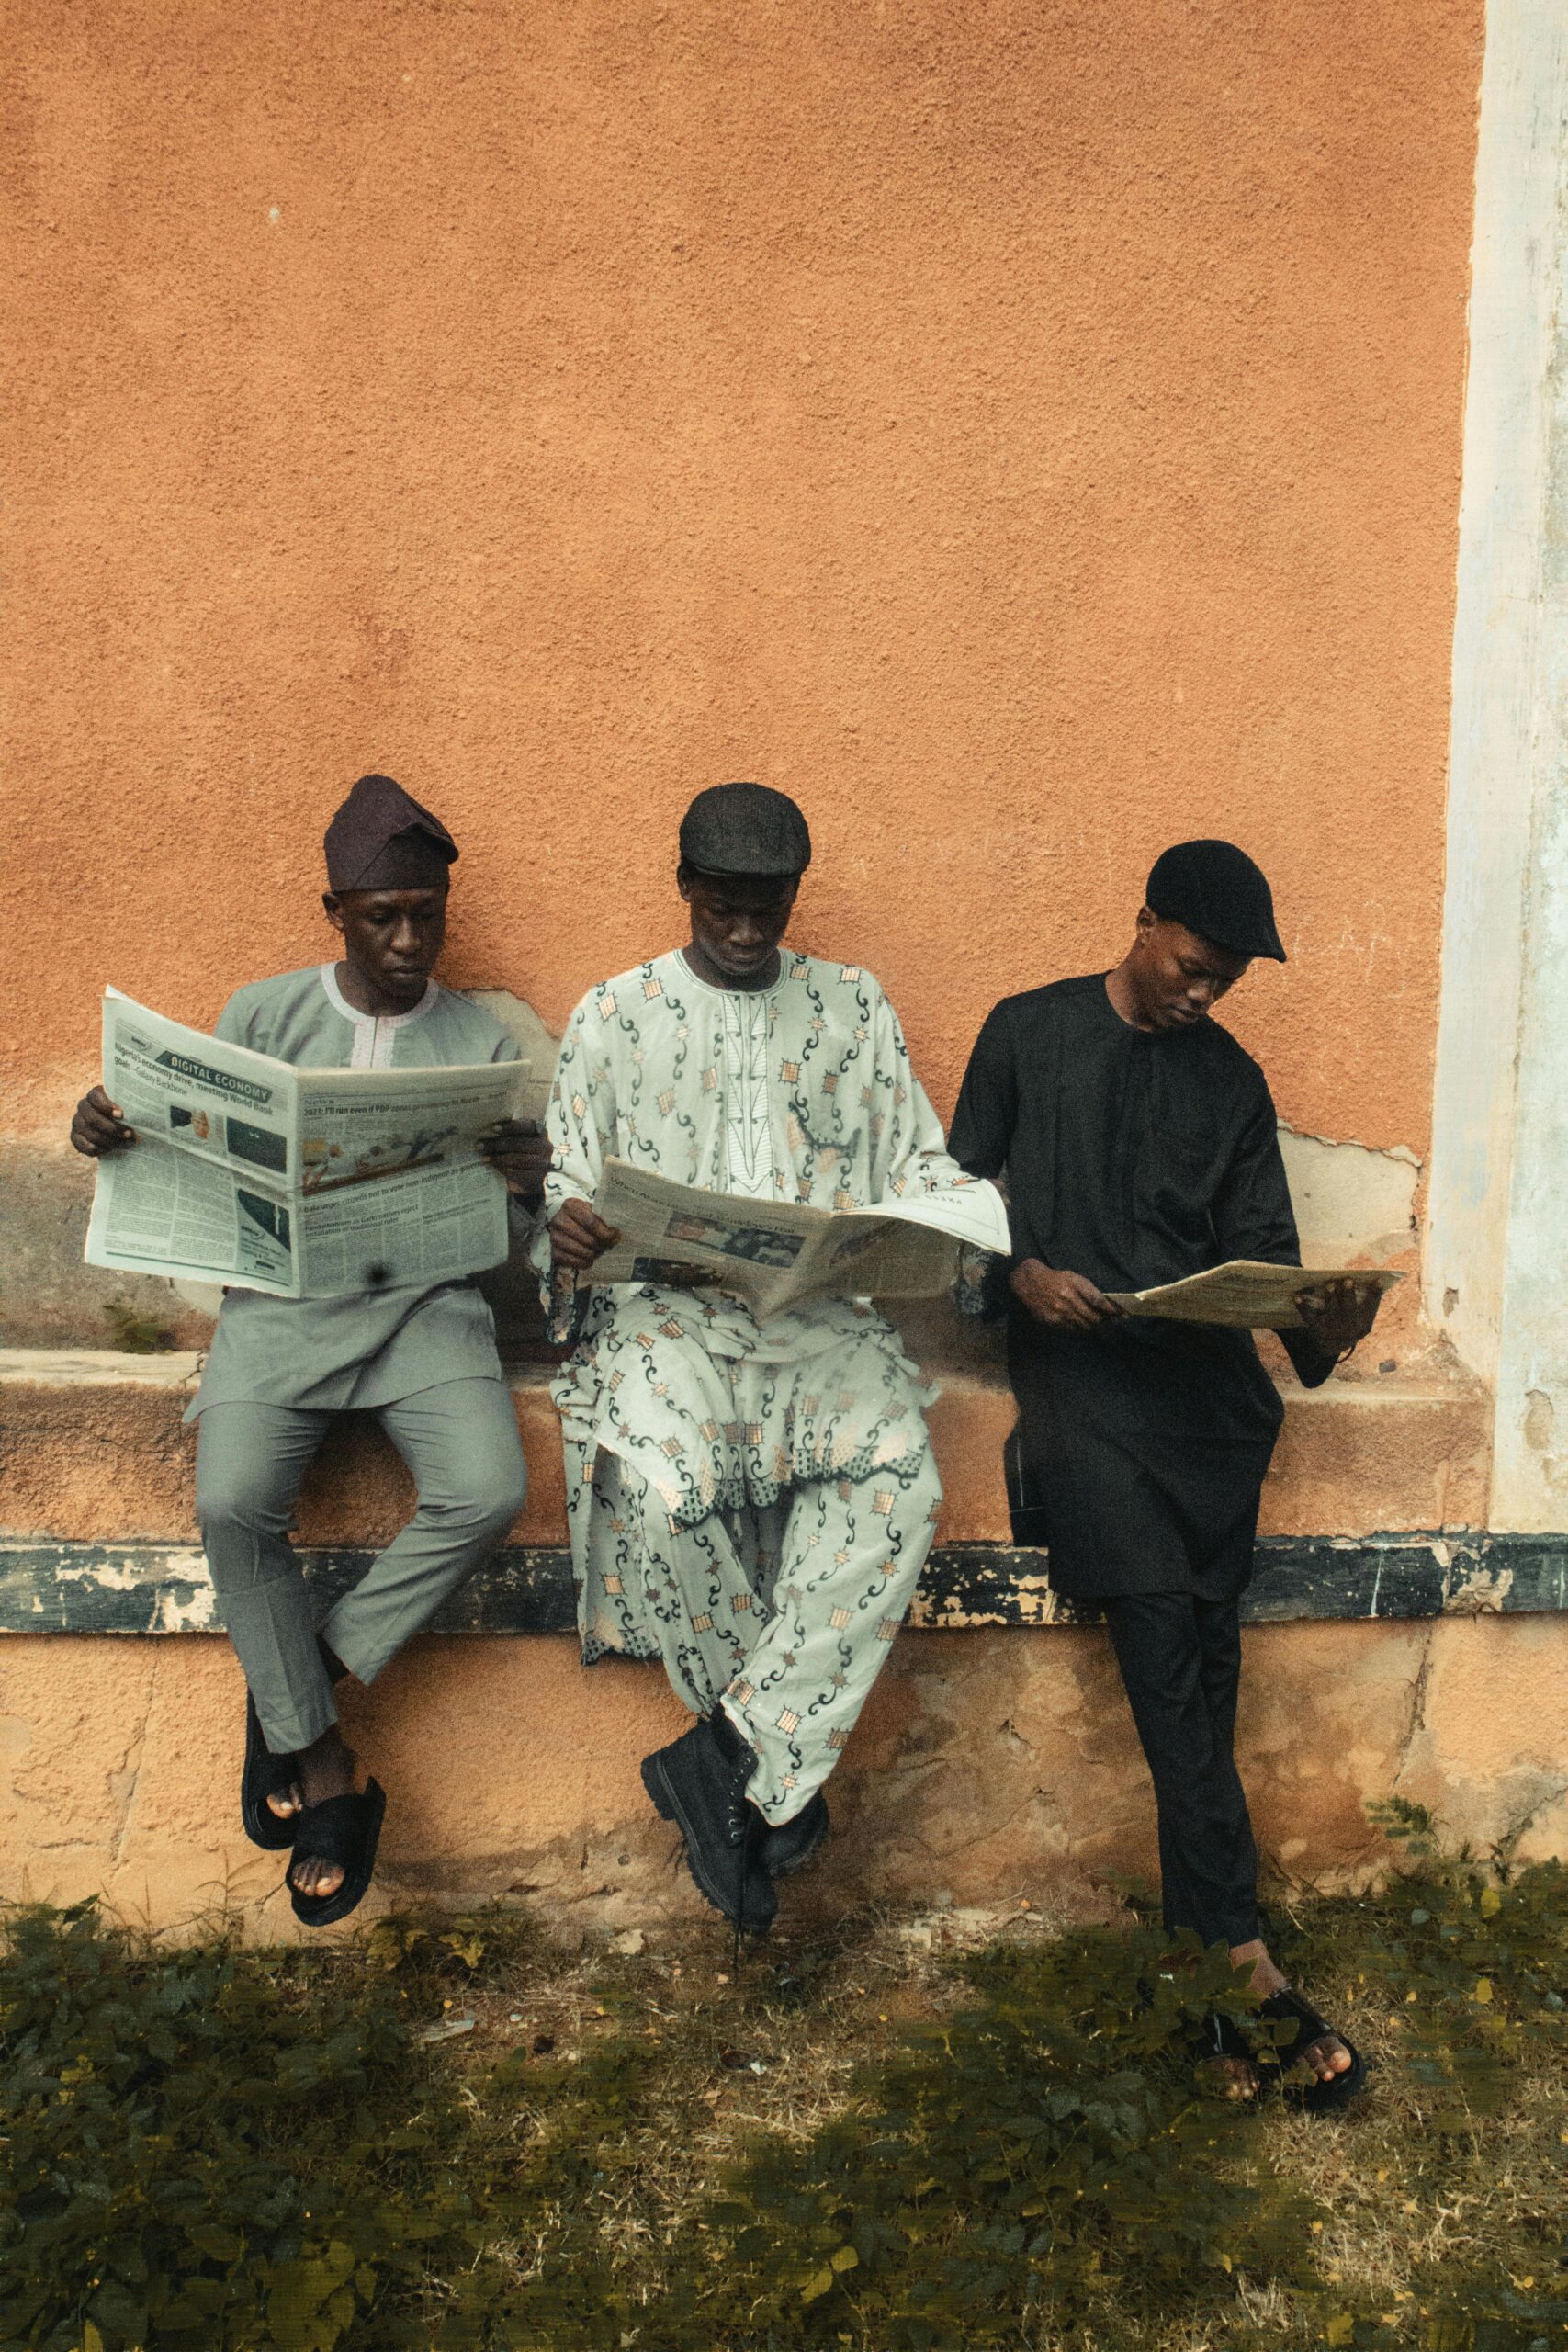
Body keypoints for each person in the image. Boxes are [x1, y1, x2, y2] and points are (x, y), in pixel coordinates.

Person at [69, 775, 551, 1925]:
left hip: (424, 1310)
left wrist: (527, 1185)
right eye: (382, 917)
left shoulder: (479, 1038)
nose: (407, 942)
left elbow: (507, 1235)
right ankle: (325, 1768)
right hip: (282, 1310)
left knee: (488, 1488)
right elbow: (195, 1157)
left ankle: (297, 1681)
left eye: (426, 916)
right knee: (232, 1502)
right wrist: (109, 1131)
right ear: (334, 911)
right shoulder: (261, 1014)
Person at [949, 839, 1382, 2110]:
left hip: (1205, 1407)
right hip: (1081, 1396)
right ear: (1141, 921)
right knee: (1162, 1651)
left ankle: (1203, 1974)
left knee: (1204, 1666)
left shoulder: (1230, 1080)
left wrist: (1320, 1323)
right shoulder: (1025, 1032)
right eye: (1193, 966)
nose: (1203, 994)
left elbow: (1263, 1259)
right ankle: (1244, 1955)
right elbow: (946, 1208)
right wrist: (1018, 1275)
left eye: (1224, 981)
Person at [537, 782, 1007, 1935]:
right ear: (683, 886)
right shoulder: (614, 1014)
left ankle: (728, 1759)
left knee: (900, 1473)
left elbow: (918, 1160)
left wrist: (950, 1216)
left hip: (817, 1321)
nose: (747, 931)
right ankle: (766, 1780)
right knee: (656, 1483)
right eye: (724, 909)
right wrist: (571, 1225)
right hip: (667, 1320)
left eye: (769, 908)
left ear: (797, 894)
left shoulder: (855, 1006)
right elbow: (569, 1180)